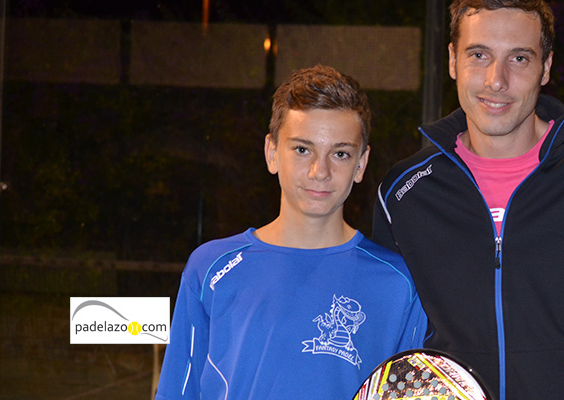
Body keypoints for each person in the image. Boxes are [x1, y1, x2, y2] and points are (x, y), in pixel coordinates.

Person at [371, 1, 564, 399]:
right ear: (452, 61)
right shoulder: (404, 192)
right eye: (478, 55)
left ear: (546, 67)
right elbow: (388, 320)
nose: (496, 80)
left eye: (519, 58)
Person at [155, 64, 428, 399]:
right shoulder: (211, 269)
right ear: (272, 153)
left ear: (361, 164)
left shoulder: (399, 284)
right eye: (302, 149)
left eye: (340, 154)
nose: (320, 171)